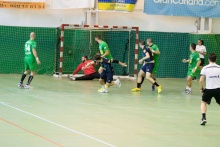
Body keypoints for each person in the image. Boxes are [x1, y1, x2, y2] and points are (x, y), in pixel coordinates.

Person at [199, 53, 220, 125]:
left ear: (208, 60)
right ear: (216, 59)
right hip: (218, 89)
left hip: (208, 89)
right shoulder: (219, 68)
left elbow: (201, 80)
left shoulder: (205, 68)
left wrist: (202, 88)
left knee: (203, 102)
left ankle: (203, 118)